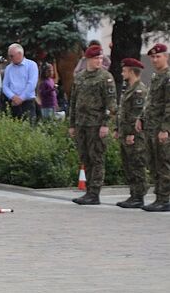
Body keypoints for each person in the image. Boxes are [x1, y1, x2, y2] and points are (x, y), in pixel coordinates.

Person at [68, 44, 116, 206]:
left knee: (96, 158)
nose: (99, 61)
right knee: (85, 157)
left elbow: (111, 104)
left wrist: (105, 124)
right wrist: (72, 124)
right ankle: (88, 191)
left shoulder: (105, 77)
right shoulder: (80, 77)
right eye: (96, 58)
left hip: (96, 123)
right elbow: (73, 101)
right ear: (88, 59)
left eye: (101, 58)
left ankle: (94, 193)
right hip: (81, 123)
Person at [137, 43, 170, 212]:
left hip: (161, 129)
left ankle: (165, 199)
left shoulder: (168, 77)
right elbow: (150, 102)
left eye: (158, 56)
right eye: (153, 57)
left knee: (163, 163)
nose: (155, 60)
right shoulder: (156, 76)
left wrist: (165, 128)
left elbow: (169, 105)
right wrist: (141, 118)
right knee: (154, 162)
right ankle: (159, 197)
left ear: (166, 57)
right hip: (151, 127)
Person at [115, 58, 149, 209]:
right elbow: (123, 113)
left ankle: (139, 196)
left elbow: (137, 114)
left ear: (131, 71)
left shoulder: (139, 90)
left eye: (124, 70)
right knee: (128, 164)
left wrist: (131, 134)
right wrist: (118, 129)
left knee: (136, 163)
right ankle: (133, 194)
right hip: (125, 133)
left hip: (134, 135)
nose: (122, 73)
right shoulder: (128, 88)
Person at [2, 43, 38, 123]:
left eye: (12, 56)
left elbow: (31, 84)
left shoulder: (31, 65)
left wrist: (21, 98)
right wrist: (13, 97)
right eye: (9, 56)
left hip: (27, 103)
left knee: (29, 128)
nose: (10, 58)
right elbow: (5, 86)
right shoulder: (9, 68)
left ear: (20, 54)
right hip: (13, 103)